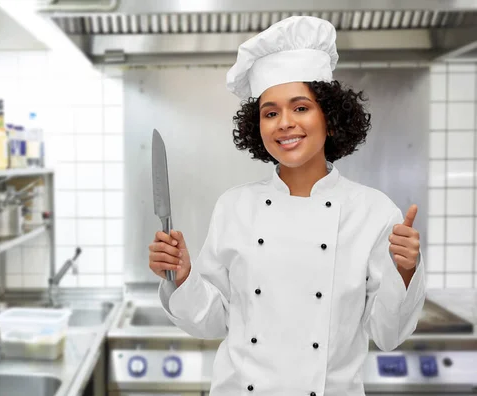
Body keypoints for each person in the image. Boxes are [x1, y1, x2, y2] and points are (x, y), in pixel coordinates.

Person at [148, 15, 426, 396]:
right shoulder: (235, 207)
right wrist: (181, 276)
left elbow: (388, 335)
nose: (284, 124)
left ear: (329, 116)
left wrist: (406, 272)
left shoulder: (375, 213)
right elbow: (212, 323)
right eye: (270, 112)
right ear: (257, 126)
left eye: (300, 107)